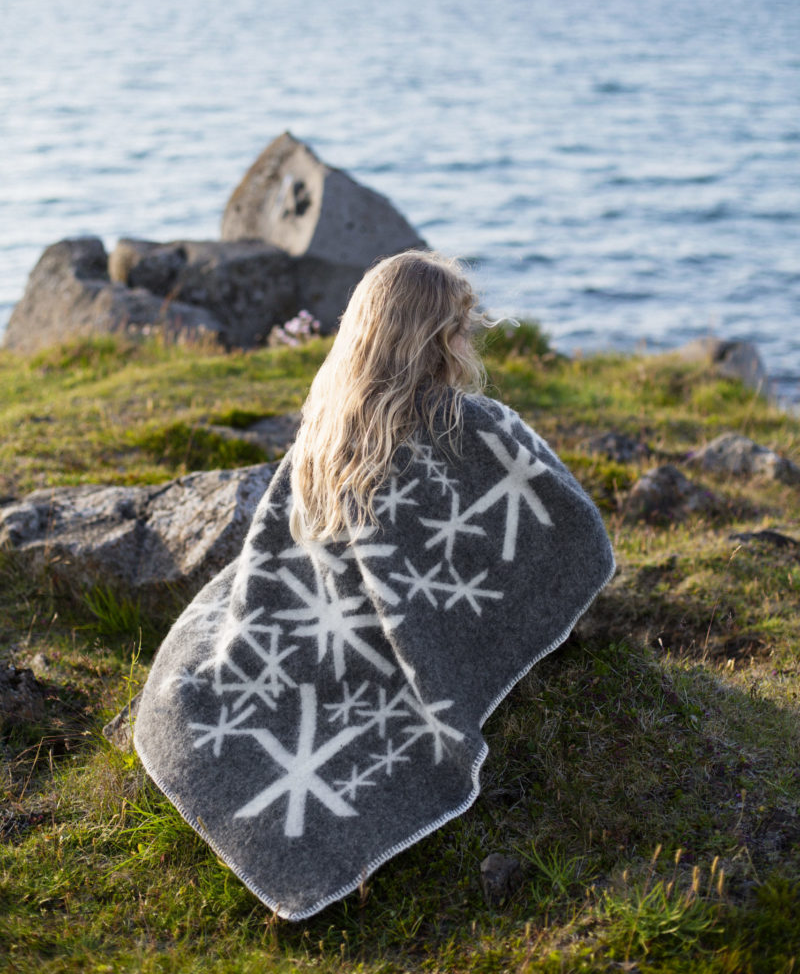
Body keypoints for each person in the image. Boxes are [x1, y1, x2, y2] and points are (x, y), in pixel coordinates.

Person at [133, 250, 614, 921]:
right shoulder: (470, 424)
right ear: (436, 338)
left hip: (309, 642)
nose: (470, 342)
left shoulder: (323, 432)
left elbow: (279, 548)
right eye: (462, 327)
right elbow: (572, 532)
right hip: (382, 653)